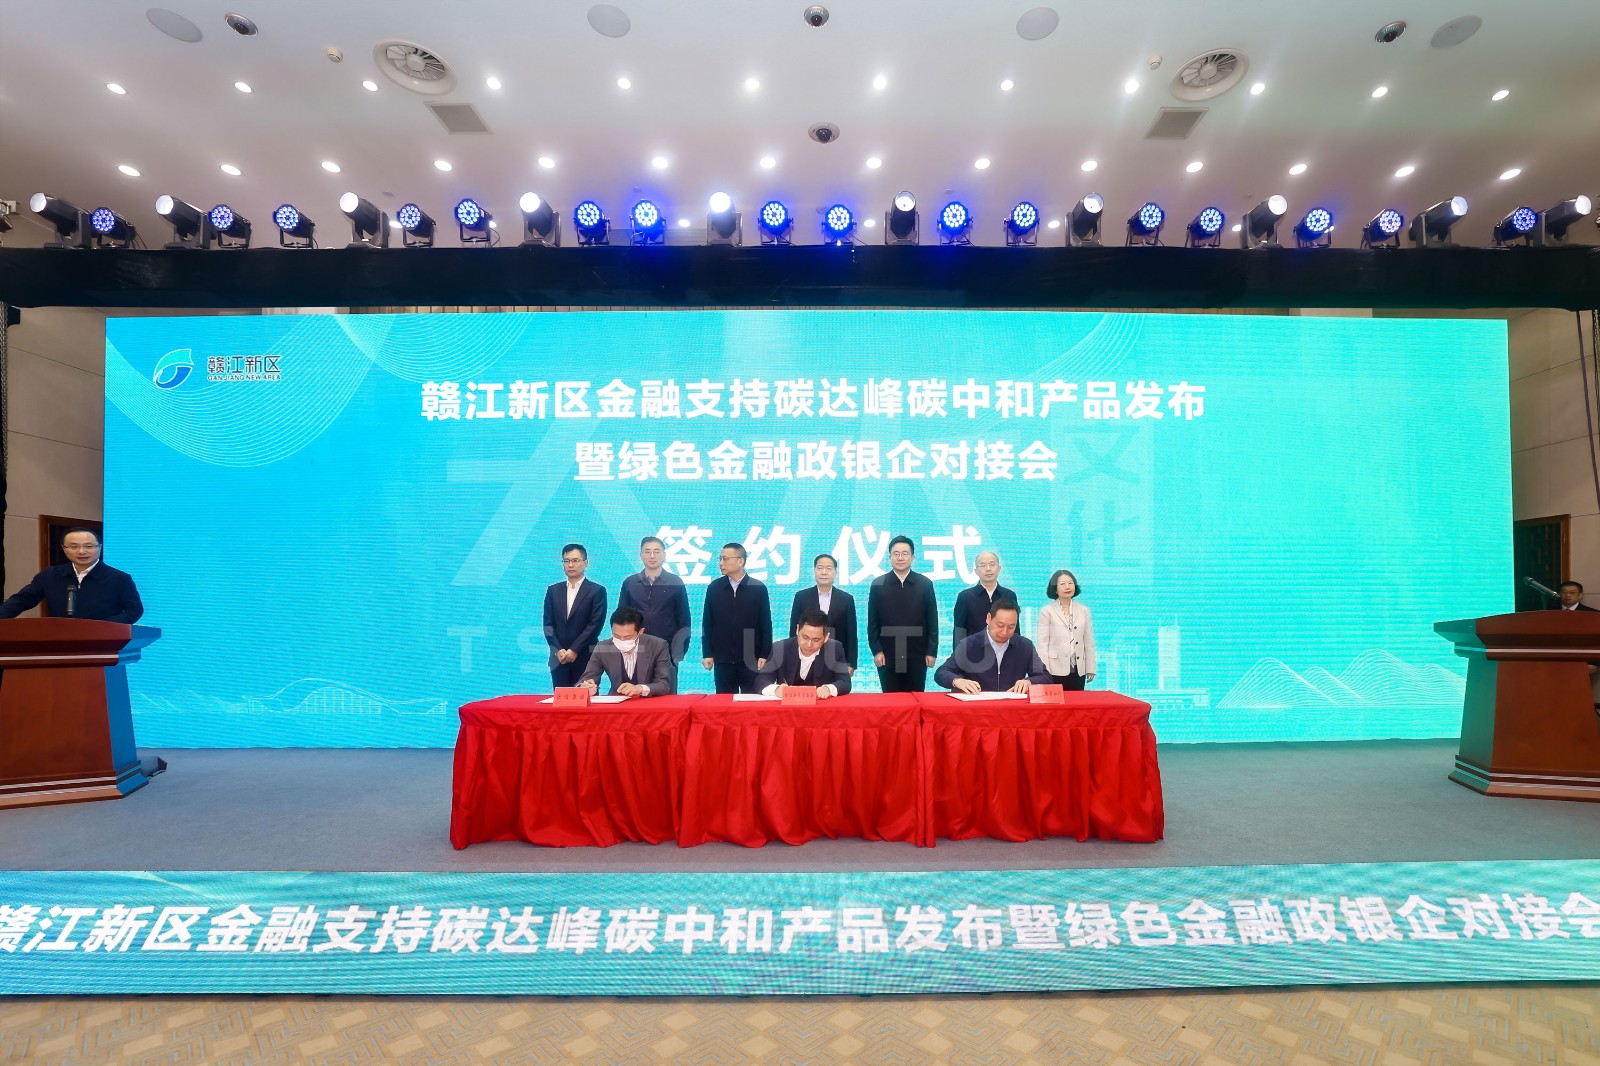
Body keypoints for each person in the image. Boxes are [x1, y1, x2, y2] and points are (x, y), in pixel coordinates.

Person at [0, 527, 143, 623]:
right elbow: (22, 600)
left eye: (88, 546)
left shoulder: (119, 578)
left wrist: (104, 626)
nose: (81, 551)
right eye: (74, 546)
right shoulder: (50, 575)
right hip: (60, 642)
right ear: (64, 548)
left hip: (104, 644)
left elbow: (134, 610)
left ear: (99, 547)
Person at [866, 535, 939, 692]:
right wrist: (877, 651)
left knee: (916, 698)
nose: (900, 558)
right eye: (896, 553)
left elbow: (932, 621)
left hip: (917, 654)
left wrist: (931, 651)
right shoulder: (878, 584)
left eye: (905, 553)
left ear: (912, 557)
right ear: (890, 557)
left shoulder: (925, 584)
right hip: (887, 655)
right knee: (891, 700)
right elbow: (872, 622)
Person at [701, 542, 772, 694]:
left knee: (751, 703)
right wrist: (708, 653)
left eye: (725, 559)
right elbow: (707, 623)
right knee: (724, 704)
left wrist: (764, 654)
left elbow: (766, 624)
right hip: (723, 660)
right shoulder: (714, 588)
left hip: (751, 660)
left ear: (740, 561)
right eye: (720, 559)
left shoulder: (758, 588)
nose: (721, 563)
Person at [935, 600, 1050, 693]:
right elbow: (941, 672)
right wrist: (957, 681)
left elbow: (1045, 676)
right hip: (978, 708)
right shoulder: (969, 644)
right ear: (988, 618)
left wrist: (1029, 681)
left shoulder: (1025, 646)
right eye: (1000, 625)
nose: (1004, 632)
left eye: (1011, 627)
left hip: (1013, 708)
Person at [541, 543, 607, 689]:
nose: (570, 565)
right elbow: (548, 625)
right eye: (567, 561)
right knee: (562, 701)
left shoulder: (597, 591)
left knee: (587, 700)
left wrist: (575, 649)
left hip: (586, 658)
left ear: (586, 563)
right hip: (559, 659)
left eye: (575, 560)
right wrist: (558, 649)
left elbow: (595, 625)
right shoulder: (553, 591)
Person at [618, 535, 692, 663]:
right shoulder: (630, 583)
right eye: (647, 552)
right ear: (641, 555)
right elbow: (621, 618)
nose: (652, 556)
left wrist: (680, 650)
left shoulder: (675, 582)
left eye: (656, 552)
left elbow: (683, 620)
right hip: (635, 650)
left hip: (666, 650)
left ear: (664, 555)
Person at [578, 607, 676, 697]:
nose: (621, 640)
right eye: (616, 636)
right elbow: (586, 679)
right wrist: (585, 687)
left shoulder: (658, 646)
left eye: (628, 637)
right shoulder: (603, 648)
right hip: (616, 703)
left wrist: (639, 689)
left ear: (640, 632)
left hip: (649, 703)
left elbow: (663, 685)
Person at [754, 609, 852, 699]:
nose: (809, 645)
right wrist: (777, 690)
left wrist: (828, 689)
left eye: (816, 640)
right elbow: (761, 681)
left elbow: (845, 682)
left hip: (820, 707)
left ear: (826, 637)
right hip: (788, 708)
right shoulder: (780, 648)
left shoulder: (835, 649)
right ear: (797, 630)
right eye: (805, 637)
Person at [789, 553, 858, 674]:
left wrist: (851, 663)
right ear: (814, 571)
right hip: (806, 658)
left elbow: (851, 633)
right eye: (820, 568)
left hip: (836, 659)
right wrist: (792, 658)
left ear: (835, 572)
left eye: (829, 568)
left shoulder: (846, 599)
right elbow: (794, 630)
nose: (824, 572)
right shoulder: (801, 597)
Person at [1036, 568, 1097, 689]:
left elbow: (1088, 642)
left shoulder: (1083, 611)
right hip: (1054, 669)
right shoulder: (1047, 611)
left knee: (1077, 700)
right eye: (1062, 584)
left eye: (1070, 583)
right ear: (1055, 588)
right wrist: (1044, 672)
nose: (1067, 587)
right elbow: (1042, 644)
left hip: (1078, 669)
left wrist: (1090, 668)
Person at [950, 550, 1016, 652]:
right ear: (976, 571)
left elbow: (1015, 629)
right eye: (983, 565)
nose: (988, 569)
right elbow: (959, 630)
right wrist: (959, 656)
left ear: (999, 568)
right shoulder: (965, 597)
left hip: (1004, 653)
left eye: (992, 564)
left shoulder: (1009, 595)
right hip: (974, 654)